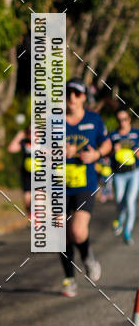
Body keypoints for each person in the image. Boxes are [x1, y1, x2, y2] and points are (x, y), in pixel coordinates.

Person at [59, 78, 111, 297]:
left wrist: (96, 154)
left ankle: (87, 255)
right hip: (58, 185)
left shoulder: (94, 119)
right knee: (62, 236)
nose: (71, 97)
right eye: (68, 92)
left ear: (83, 97)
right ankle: (69, 279)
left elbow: (107, 143)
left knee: (78, 232)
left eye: (76, 93)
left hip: (85, 185)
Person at [109, 108, 139, 244]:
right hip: (119, 174)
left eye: (125, 119)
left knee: (130, 201)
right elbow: (106, 152)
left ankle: (127, 232)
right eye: (119, 120)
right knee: (120, 201)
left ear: (129, 119)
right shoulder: (113, 135)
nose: (122, 122)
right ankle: (120, 220)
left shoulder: (136, 134)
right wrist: (111, 151)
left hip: (134, 172)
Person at [7, 126, 33, 214]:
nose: (32, 134)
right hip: (27, 176)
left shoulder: (44, 143)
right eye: (30, 132)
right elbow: (11, 149)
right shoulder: (24, 143)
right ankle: (32, 219)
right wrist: (19, 135)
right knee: (28, 201)